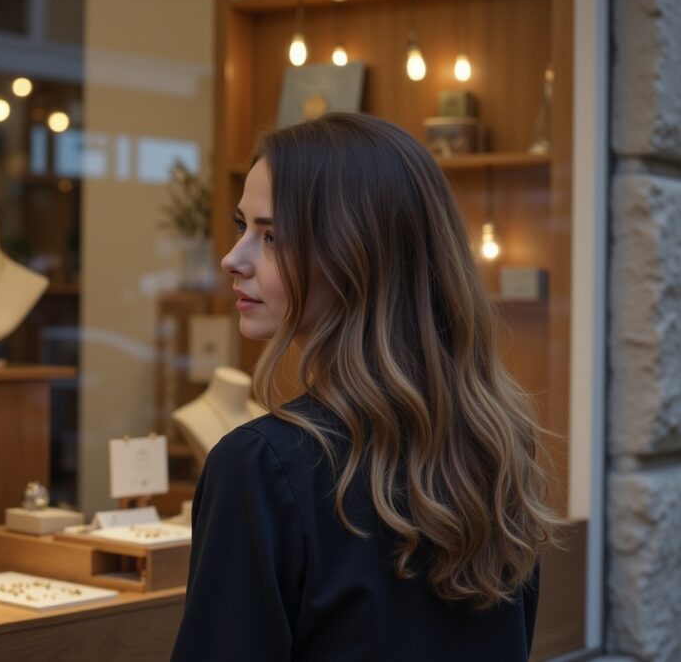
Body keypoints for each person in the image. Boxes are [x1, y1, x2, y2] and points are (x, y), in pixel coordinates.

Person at [171, 112, 560, 661]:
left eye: (272, 236)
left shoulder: (260, 468)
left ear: (359, 257)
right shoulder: (495, 447)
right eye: (243, 228)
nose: (233, 259)